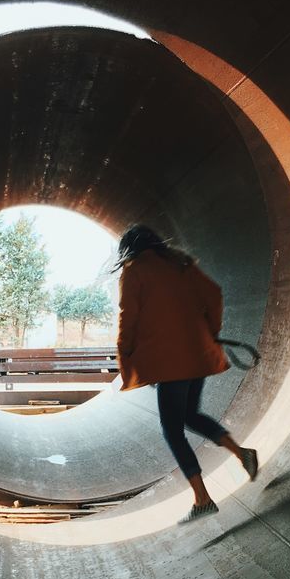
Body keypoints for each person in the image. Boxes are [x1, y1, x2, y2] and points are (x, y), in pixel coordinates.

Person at [114, 224, 258, 524]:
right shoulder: (181, 263)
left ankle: (202, 498)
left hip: (170, 363)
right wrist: (211, 332)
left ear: (130, 248)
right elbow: (214, 294)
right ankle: (241, 453)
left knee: (172, 429)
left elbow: (128, 318)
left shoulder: (134, 270)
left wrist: (125, 356)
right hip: (197, 354)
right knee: (190, 415)